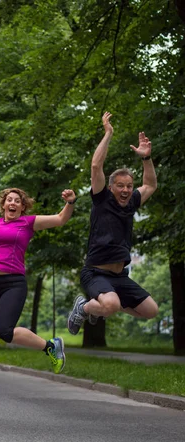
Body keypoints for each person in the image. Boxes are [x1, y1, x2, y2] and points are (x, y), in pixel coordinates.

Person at [68, 112, 158, 334]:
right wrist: (108, 133)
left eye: (129, 186)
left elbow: (150, 185)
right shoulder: (101, 199)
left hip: (119, 276)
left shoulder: (131, 202)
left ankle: (104, 306)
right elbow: (96, 166)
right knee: (111, 304)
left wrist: (146, 158)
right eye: (120, 185)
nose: (126, 190)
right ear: (111, 187)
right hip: (95, 273)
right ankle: (84, 306)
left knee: (151, 310)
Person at [0, 188, 77, 373]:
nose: (12, 203)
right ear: (3, 204)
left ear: (22, 207)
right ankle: (44, 344)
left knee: (5, 331)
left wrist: (70, 203)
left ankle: (50, 346)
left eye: (17, 201)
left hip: (12, 283)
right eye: (9, 200)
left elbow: (61, 219)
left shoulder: (28, 222)